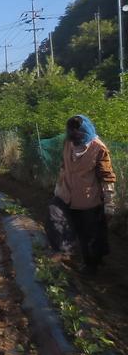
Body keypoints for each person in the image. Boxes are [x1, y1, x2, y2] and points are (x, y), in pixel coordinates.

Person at [54, 115, 116, 274]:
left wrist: (109, 203)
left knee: (91, 235)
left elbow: (107, 177)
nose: (76, 142)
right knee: (77, 231)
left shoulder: (98, 148)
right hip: (68, 196)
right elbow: (63, 167)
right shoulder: (68, 143)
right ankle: (89, 258)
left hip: (89, 200)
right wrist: (58, 189)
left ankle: (92, 266)